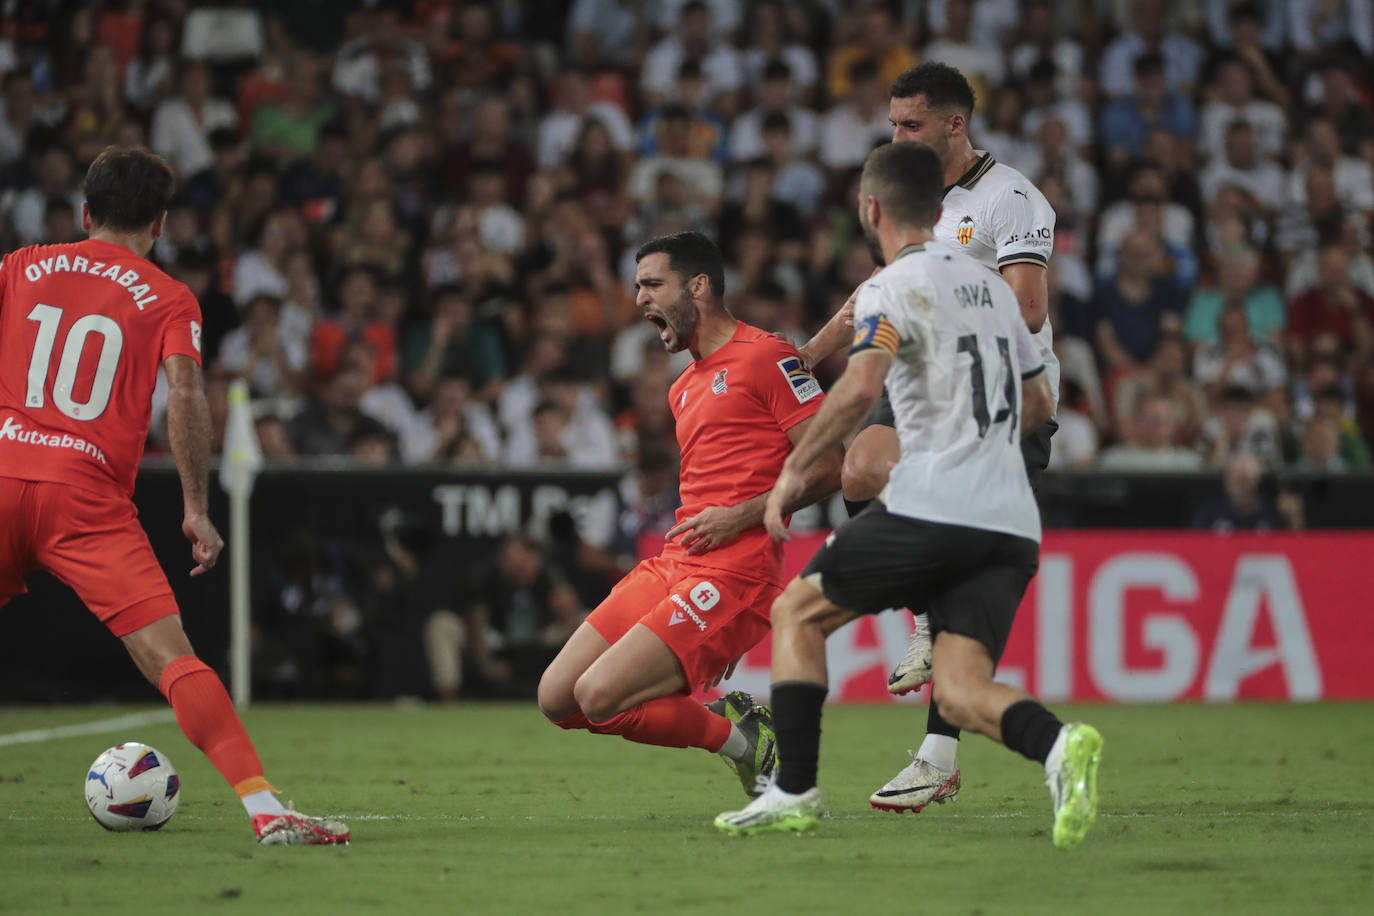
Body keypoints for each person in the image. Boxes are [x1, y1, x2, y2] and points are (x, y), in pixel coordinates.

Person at [714, 142, 1100, 849]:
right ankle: (1058, 745)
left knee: (798, 613)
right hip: (1010, 516)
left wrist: (793, 472)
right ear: (939, 210)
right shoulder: (995, 292)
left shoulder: (892, 286)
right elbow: (1042, 401)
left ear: (872, 209)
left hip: (937, 503)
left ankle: (793, 791)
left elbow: (861, 385)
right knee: (961, 690)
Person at [0, 147, 347, 845]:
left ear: (86, 211)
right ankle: (267, 812)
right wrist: (195, 506)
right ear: (160, 223)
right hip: (86, 497)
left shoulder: (22, 265)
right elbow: (185, 394)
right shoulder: (166, 295)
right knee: (172, 656)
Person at [810, 62, 1060, 809]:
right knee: (859, 470)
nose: (897, 137)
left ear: (955, 124)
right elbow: (871, 294)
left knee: (961, 590)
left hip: (1002, 406)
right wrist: (806, 354)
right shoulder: (918, 200)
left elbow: (1030, 312)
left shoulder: (1010, 198)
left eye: (910, 125)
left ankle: (937, 753)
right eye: (892, 125)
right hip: (926, 397)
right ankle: (919, 618)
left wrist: (939, 304)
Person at [536, 231, 845, 798]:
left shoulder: (768, 356)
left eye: (652, 284)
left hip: (737, 574)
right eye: (636, 287)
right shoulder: (682, 387)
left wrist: (744, 516)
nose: (639, 299)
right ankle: (738, 730)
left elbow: (831, 467)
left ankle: (741, 744)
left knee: (600, 696)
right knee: (556, 697)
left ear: (698, 286)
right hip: (674, 565)